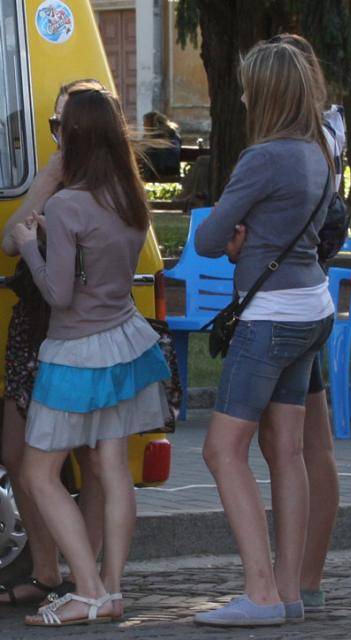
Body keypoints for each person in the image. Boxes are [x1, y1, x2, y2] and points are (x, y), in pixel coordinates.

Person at [9, 82, 171, 626]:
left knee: (37, 473)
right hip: (124, 344)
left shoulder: (67, 204)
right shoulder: (129, 199)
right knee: (111, 469)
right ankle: (112, 590)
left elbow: (58, 294)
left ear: (74, 138)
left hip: (74, 354)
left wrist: (30, 246)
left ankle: (87, 589)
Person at [192, 41, 334, 627]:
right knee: (287, 451)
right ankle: (288, 590)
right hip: (312, 307)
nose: (244, 96)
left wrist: (236, 242)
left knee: (221, 450)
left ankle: (261, 592)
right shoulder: (318, 153)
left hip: (269, 313)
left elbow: (207, 240)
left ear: (268, 93)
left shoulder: (263, 158)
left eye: (250, 87)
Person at [0, 80, 107, 607]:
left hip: (78, 328)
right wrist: (46, 179)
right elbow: (9, 240)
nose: (60, 134)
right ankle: (47, 572)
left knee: (91, 457)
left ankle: (88, 578)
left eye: (67, 124)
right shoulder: (55, 179)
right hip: (34, 326)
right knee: (16, 452)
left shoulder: (103, 187)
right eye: (54, 125)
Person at [261, 31, 346, 612]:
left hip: (287, 302)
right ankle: (304, 576)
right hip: (310, 296)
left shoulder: (303, 141)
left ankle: (295, 576)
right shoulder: (326, 134)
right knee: (311, 442)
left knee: (295, 446)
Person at [141, 111, 181, 180]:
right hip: (173, 170)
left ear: (152, 123)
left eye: (145, 122)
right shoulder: (173, 134)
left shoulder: (155, 136)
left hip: (159, 171)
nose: (143, 125)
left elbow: (146, 152)